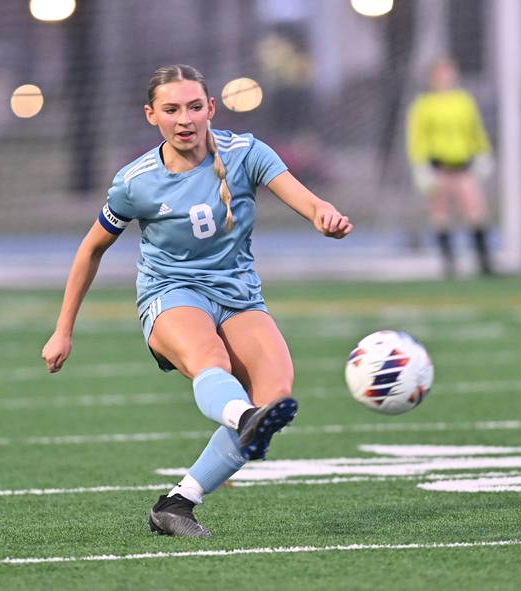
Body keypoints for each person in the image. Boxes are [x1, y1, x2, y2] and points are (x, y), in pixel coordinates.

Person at [41, 64, 352, 538]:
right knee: (215, 365)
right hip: (170, 295)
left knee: (275, 400)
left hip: (239, 295)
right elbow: (91, 249)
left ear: (211, 108)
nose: (183, 119)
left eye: (192, 107)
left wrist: (323, 214)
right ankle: (244, 417)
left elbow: (306, 200)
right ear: (152, 115)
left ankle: (177, 503)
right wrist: (63, 330)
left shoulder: (247, 152)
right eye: (170, 110)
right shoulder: (136, 180)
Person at [406, 56, 494, 277]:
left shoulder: (463, 100)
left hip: (462, 166)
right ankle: (449, 262)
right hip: (438, 167)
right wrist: (420, 166)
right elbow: (417, 138)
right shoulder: (424, 104)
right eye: (442, 73)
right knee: (440, 215)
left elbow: (475, 131)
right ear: (432, 77)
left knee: (475, 211)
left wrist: (483, 153)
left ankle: (484, 262)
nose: (446, 77)